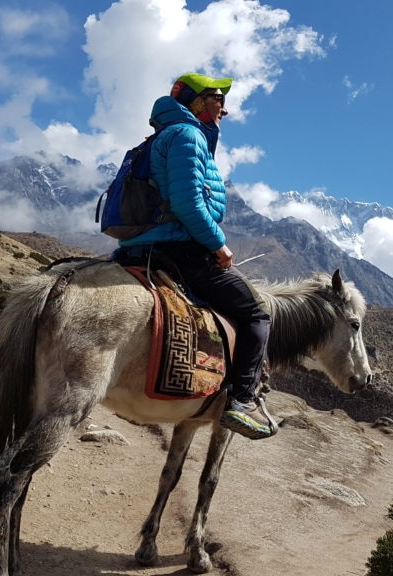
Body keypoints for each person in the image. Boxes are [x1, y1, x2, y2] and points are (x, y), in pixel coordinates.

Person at [115, 72, 275, 440]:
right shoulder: (187, 136)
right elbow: (189, 204)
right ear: (198, 102)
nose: (225, 108)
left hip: (141, 247)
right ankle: (239, 402)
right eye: (218, 99)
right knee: (256, 315)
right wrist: (218, 244)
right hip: (179, 249)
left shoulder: (163, 136)